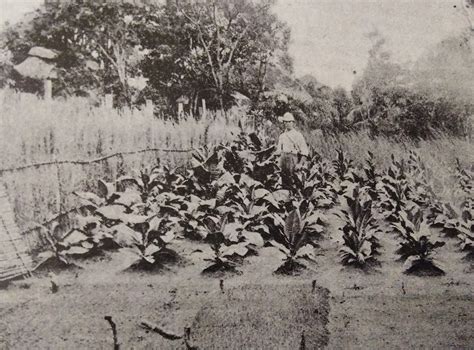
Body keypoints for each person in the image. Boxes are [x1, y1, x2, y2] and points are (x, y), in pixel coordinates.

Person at [276, 112, 310, 189]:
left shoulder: (298, 135)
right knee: (284, 183)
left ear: (293, 123)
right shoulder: (282, 136)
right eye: (285, 122)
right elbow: (279, 151)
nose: (287, 124)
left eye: (289, 122)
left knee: (294, 183)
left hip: (293, 161)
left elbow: (304, 152)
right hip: (283, 161)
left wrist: (300, 164)